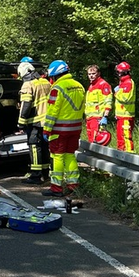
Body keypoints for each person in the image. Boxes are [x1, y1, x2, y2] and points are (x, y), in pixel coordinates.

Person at [42, 60, 86, 197]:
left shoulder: (57, 88)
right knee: (70, 155)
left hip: (59, 130)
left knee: (57, 156)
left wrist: (46, 130)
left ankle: (56, 188)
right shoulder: (79, 86)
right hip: (76, 128)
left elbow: (52, 112)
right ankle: (73, 185)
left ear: (55, 75)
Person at [17, 61, 51, 184]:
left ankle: (36, 175)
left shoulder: (27, 85)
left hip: (35, 122)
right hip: (48, 121)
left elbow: (26, 104)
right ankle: (46, 173)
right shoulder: (45, 82)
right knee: (45, 147)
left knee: (34, 147)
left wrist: (21, 122)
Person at [84, 64, 113, 142]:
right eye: (89, 74)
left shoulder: (103, 84)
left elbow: (108, 101)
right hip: (89, 118)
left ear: (98, 73)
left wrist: (105, 116)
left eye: (93, 74)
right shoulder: (91, 86)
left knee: (96, 141)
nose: (91, 76)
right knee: (91, 141)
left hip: (97, 118)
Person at [114, 61, 135, 152]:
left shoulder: (128, 83)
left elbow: (125, 98)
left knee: (126, 138)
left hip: (126, 115)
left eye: (118, 71)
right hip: (121, 115)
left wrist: (116, 93)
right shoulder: (123, 82)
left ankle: (129, 158)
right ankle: (121, 156)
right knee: (121, 139)